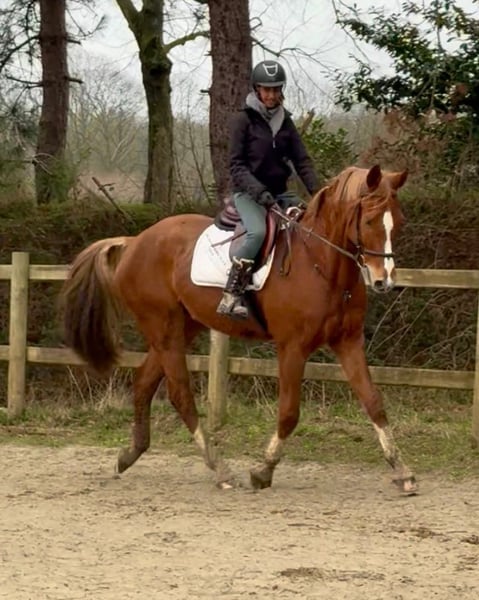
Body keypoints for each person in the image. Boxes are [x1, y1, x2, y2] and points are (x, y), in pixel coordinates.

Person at [216, 59, 320, 319]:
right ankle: (232, 293)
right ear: (257, 89)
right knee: (258, 233)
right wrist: (259, 192)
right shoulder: (243, 121)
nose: (271, 95)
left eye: (275, 89)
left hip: (280, 193)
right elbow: (236, 165)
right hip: (248, 194)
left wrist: (320, 194)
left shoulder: (286, 123)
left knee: (311, 223)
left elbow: (302, 161)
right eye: (266, 89)